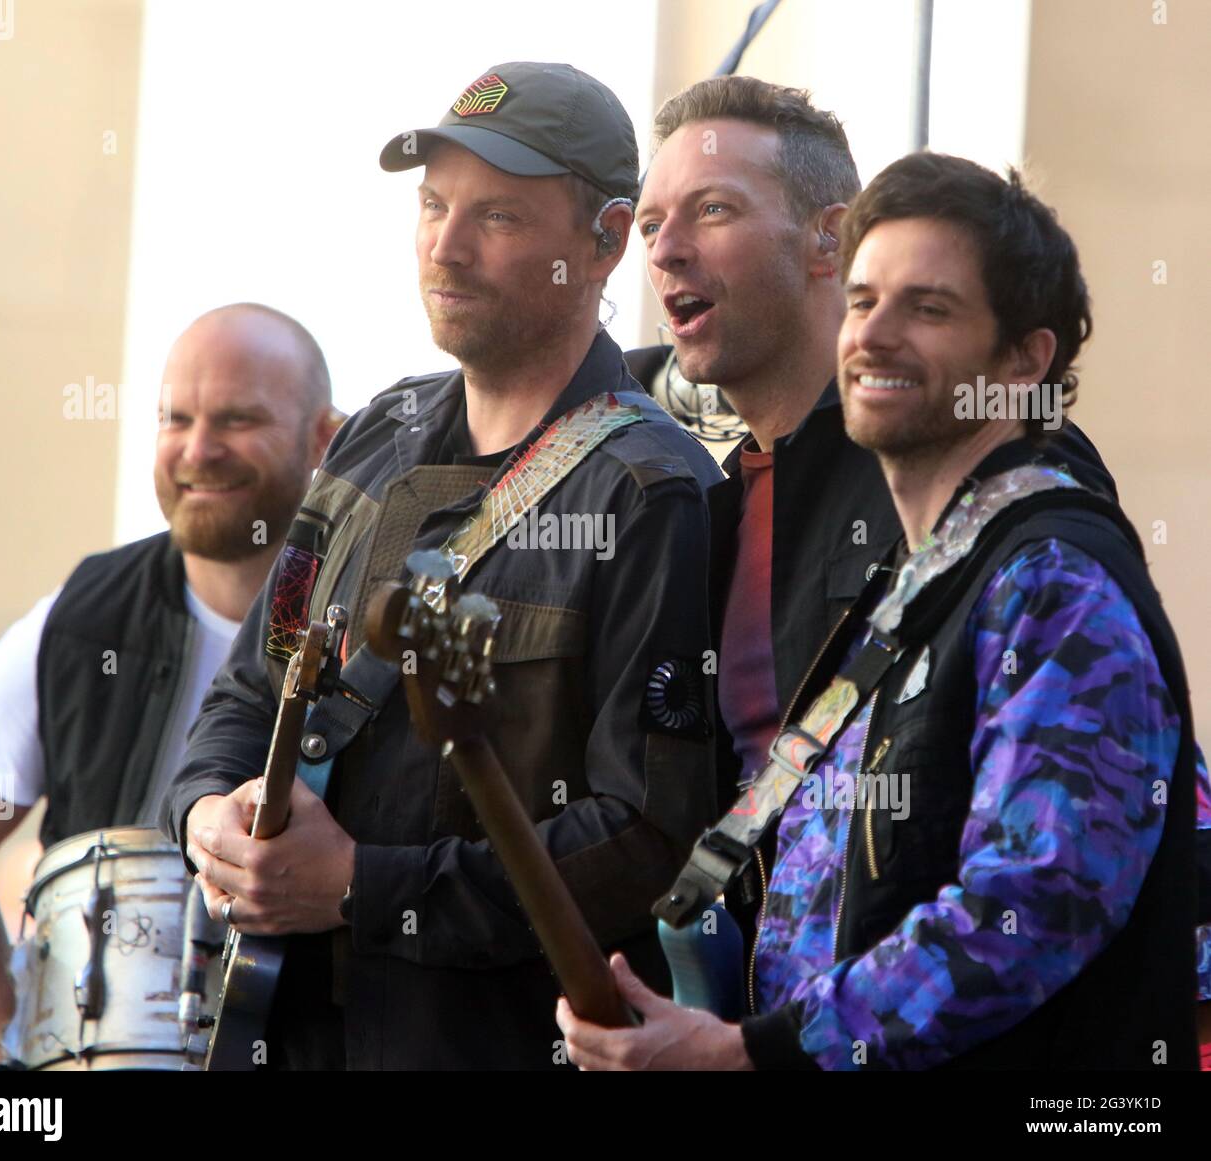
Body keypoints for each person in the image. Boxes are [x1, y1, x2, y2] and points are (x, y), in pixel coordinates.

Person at [559, 151, 1202, 1070]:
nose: (873, 335)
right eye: (862, 302)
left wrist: (750, 1052)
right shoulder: (919, 585)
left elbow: (1037, 902)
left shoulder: (1051, 575)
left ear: (1025, 360)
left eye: (928, 308)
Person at [164, 62, 723, 1071]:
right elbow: (254, 682)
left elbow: (646, 838)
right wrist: (210, 814)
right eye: (432, 207)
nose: (445, 247)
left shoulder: (652, 493)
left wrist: (361, 886)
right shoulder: (374, 437)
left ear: (604, 238)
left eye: (497, 217)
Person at [0, 303, 339, 1069]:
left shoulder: (372, 626)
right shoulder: (72, 623)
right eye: (175, 419)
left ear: (324, 440)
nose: (199, 449)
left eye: (237, 419)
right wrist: (12, 1052)